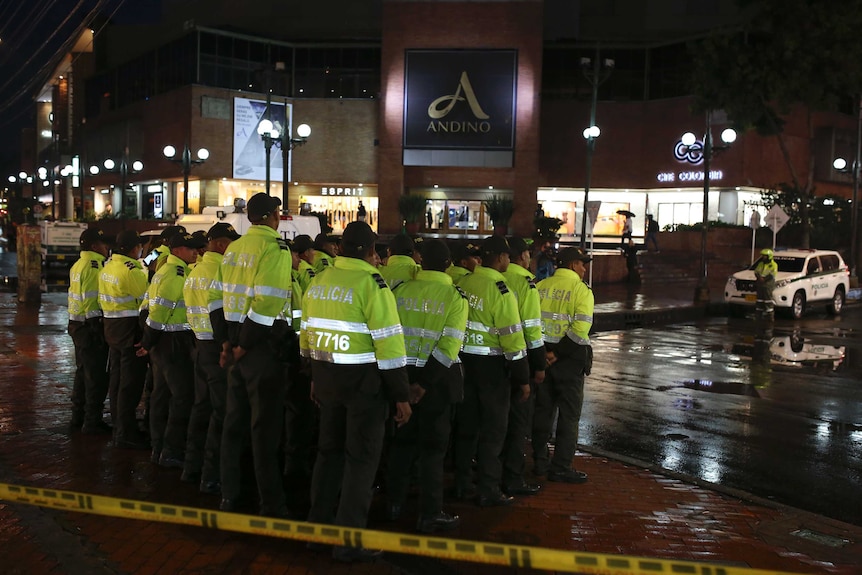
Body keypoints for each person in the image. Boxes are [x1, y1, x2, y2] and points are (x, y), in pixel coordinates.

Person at [302, 221, 411, 563]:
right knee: (360, 462)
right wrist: (401, 395)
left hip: (328, 382)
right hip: (364, 387)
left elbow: (306, 334)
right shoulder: (372, 285)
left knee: (328, 456)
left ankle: (317, 534)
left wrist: (314, 377)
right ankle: (348, 542)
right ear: (369, 250)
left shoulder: (320, 280)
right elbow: (389, 345)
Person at [219, 193, 294, 518]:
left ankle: (230, 495)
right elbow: (266, 305)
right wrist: (244, 346)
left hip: (237, 342)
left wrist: (229, 344)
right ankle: (271, 504)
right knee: (264, 430)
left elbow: (226, 299)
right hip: (259, 348)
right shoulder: (275, 248)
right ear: (273, 216)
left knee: (234, 424)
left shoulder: (235, 248)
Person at [386, 239, 468, 534]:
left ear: (419, 260)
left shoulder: (399, 291)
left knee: (401, 444)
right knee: (433, 450)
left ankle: (393, 504)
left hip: (402, 378)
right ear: (448, 264)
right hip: (436, 384)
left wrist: (405, 384)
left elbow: (389, 336)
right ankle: (430, 513)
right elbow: (448, 348)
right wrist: (424, 384)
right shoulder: (455, 297)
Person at [453, 235, 529, 507]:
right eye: (507, 256)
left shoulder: (463, 282)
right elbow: (512, 339)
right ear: (499, 258)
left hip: (463, 364)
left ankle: (462, 483)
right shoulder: (500, 289)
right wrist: (523, 377)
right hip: (493, 370)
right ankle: (488, 488)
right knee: (493, 431)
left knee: (466, 427)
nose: (509, 260)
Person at [180, 222, 240, 494]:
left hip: (199, 346)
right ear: (218, 243)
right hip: (218, 349)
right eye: (229, 242)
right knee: (221, 413)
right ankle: (212, 476)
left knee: (201, 408)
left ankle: (191, 467)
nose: (232, 247)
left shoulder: (194, 271)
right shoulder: (222, 269)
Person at [140, 231, 207, 468]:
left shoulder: (167, 269)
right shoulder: (175, 273)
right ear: (177, 250)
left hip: (163, 341)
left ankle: (159, 447)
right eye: (190, 249)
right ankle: (171, 450)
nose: (195, 252)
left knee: (162, 395)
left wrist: (150, 341)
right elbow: (159, 311)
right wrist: (148, 341)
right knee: (182, 397)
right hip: (173, 342)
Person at [533, 247, 594, 483]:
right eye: (581, 264)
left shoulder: (540, 287)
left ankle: (539, 462)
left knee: (542, 412)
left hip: (542, 357)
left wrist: (545, 353)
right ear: (571, 265)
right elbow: (580, 330)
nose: (584, 268)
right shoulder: (582, 291)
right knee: (569, 417)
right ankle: (560, 467)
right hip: (569, 360)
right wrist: (557, 353)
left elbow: (531, 322)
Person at [500, 237, 546, 497]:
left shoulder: (492, 280)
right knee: (518, 423)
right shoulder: (526, 284)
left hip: (493, 360)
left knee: (496, 424)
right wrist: (539, 365)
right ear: (521, 257)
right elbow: (532, 330)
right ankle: (513, 477)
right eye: (528, 253)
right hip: (520, 359)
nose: (531, 258)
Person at [99, 230, 149, 450]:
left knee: (117, 381)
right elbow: (147, 297)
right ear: (132, 249)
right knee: (131, 384)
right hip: (129, 329)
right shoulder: (132, 270)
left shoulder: (108, 266)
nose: (142, 250)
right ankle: (126, 433)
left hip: (112, 327)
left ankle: (120, 427)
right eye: (140, 246)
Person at [67, 227, 111, 434]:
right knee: (96, 376)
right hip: (89, 326)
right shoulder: (94, 266)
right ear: (95, 246)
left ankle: (78, 417)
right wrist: (97, 328)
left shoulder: (78, 264)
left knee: (83, 372)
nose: (106, 248)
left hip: (77, 324)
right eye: (103, 244)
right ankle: (92, 422)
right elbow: (92, 299)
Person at [754, 248, 778, 319]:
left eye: (765, 256)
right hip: (760, 284)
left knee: (768, 300)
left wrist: (764, 279)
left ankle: (770, 317)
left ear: (769, 256)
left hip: (768, 284)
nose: (763, 257)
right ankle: (758, 315)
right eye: (762, 256)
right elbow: (756, 271)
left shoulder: (773, 265)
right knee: (759, 300)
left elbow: (772, 274)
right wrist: (759, 277)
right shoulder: (760, 264)